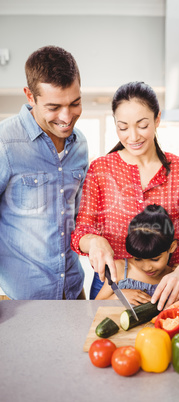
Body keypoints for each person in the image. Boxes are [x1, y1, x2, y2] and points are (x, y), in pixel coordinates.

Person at [71, 81, 179, 309]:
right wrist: (95, 241)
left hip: (169, 286)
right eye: (123, 127)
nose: (133, 136)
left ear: (157, 119)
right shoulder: (100, 169)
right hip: (114, 287)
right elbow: (82, 232)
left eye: (142, 125)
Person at [0, 46, 88, 299]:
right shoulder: (5, 143)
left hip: (72, 290)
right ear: (30, 96)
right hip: (19, 297)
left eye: (75, 103)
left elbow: (80, 217)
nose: (66, 117)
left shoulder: (80, 144)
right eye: (53, 107)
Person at [96, 204, 179, 304]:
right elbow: (94, 304)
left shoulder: (177, 276)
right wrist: (118, 296)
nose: (147, 267)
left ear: (172, 247)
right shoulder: (120, 269)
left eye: (155, 259)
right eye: (138, 259)